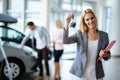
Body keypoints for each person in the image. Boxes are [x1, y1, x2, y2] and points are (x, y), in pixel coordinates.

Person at [63, 8, 111, 80]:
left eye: (92, 18)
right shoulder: (80, 34)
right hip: (81, 73)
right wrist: (67, 24)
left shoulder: (104, 35)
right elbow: (65, 41)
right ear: (84, 22)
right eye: (87, 19)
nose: (90, 21)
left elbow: (108, 55)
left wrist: (105, 55)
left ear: (95, 18)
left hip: (97, 73)